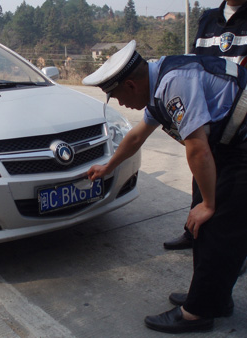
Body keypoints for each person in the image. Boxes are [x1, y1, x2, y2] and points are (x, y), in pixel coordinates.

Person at [83, 40, 247, 333]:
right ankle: (212, 297)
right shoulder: (158, 84)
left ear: (132, 85)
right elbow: (136, 136)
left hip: (241, 147)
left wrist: (208, 204)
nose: (121, 104)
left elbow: (197, 149)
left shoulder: (174, 82)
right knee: (204, 225)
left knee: (217, 225)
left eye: (118, 97)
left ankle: (198, 312)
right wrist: (109, 166)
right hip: (229, 145)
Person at [164, 0, 247, 250]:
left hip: (240, 116)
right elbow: (194, 64)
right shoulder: (208, 19)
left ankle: (234, 249)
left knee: (233, 187)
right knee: (201, 172)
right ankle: (193, 233)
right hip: (207, 112)